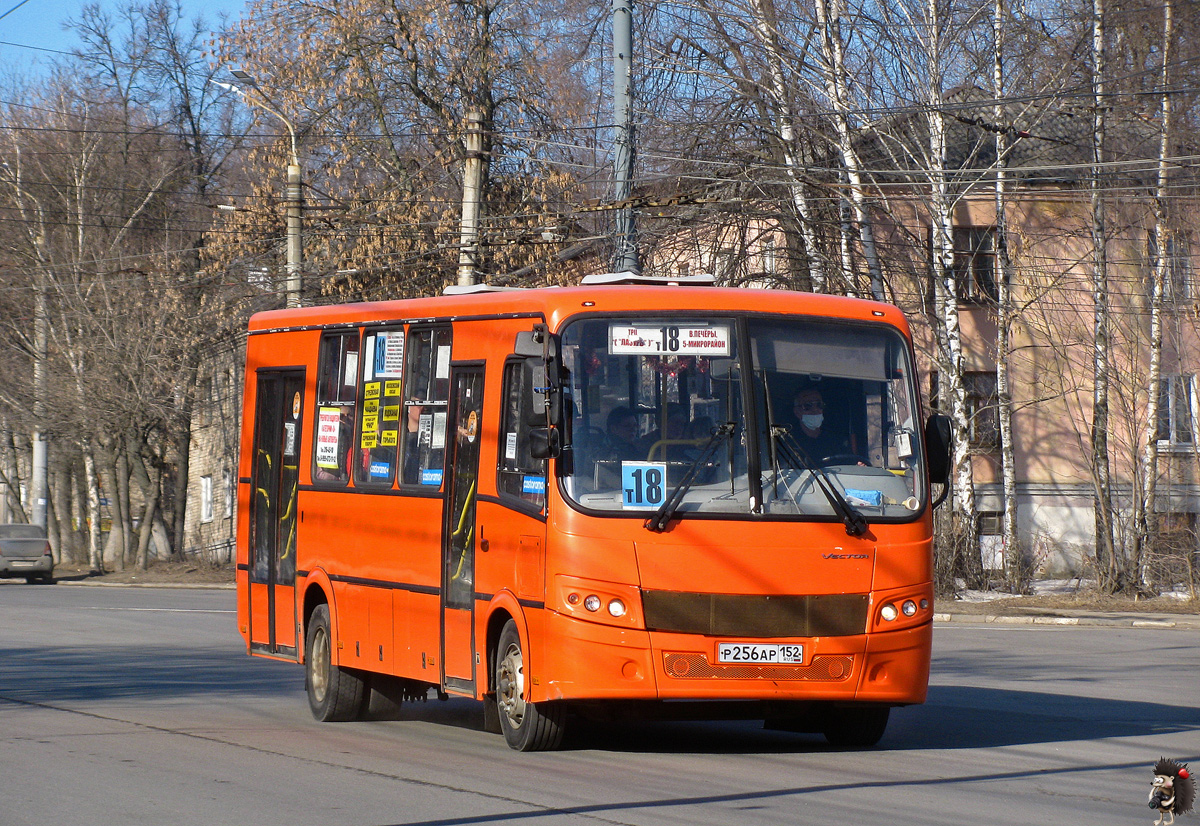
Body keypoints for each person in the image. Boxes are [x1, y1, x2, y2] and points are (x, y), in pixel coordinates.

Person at [791, 385, 851, 462]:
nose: (815, 409)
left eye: (819, 404)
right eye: (807, 406)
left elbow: (851, 463)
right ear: (797, 412)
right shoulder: (790, 442)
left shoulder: (836, 441)